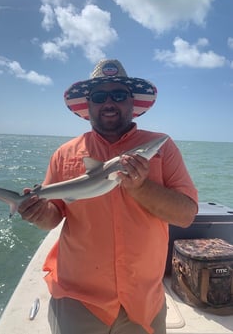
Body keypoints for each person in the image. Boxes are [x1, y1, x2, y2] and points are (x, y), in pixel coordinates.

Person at [18, 59, 198, 334]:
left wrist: (141, 186)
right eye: (100, 96)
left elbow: (186, 215)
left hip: (142, 302)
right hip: (78, 300)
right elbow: (52, 218)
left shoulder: (162, 147)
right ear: (89, 105)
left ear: (131, 103)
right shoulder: (65, 154)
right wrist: (38, 214)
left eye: (119, 95)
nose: (109, 102)